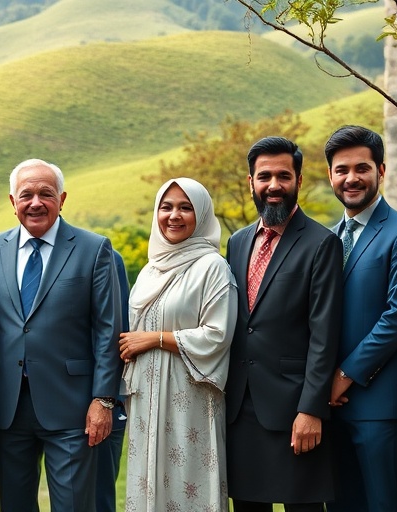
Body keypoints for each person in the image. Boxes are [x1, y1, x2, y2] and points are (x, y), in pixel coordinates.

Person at [0, 158, 121, 511]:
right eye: (26, 195)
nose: (35, 202)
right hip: (7, 409)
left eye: (46, 194)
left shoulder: (94, 248)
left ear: (62, 199)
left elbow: (108, 329)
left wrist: (103, 400)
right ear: (13, 202)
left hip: (73, 408)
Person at [225, 136, 343, 512]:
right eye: (264, 177)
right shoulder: (236, 242)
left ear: (299, 181)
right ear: (251, 182)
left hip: (294, 408)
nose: (273, 185)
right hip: (240, 409)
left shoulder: (322, 243)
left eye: (283, 176)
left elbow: (324, 335)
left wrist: (311, 410)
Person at [119, 177, 237, 510]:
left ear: (201, 214)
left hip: (190, 395)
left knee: (188, 484)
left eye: (185, 207)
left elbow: (217, 334)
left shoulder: (212, 267)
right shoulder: (150, 270)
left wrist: (154, 339)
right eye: (166, 207)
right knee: (148, 484)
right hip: (146, 397)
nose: (174, 215)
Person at [323, 126, 397, 512]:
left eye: (361, 168)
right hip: (329, 407)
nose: (351, 178)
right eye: (342, 169)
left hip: (378, 405)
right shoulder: (328, 238)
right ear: (330, 175)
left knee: (382, 504)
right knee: (340, 504)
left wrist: (344, 375)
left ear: (381, 170)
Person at [95, 249, 130, 512]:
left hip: (106, 402)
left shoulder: (107, 257)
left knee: (99, 497)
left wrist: (109, 399)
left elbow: (118, 328)